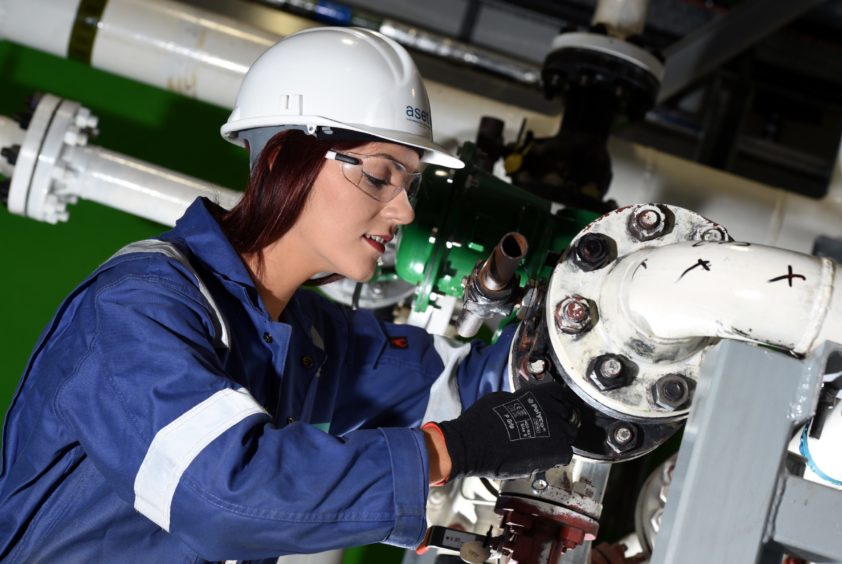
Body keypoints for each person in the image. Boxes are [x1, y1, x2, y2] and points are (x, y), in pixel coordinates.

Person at [0, 27, 577, 562]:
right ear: (281, 160)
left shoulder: (304, 334)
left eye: (411, 183)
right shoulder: (136, 307)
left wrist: (570, 358)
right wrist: (447, 450)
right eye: (380, 175)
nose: (403, 210)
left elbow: (452, 385)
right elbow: (221, 491)